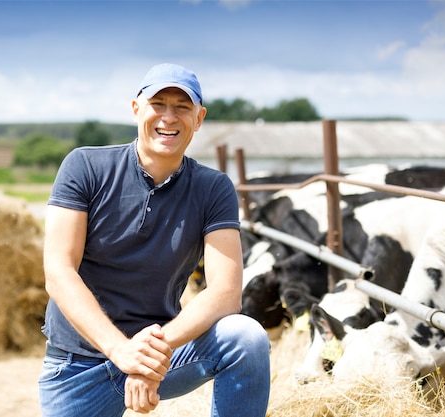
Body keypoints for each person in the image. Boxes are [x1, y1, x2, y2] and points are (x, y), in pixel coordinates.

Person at [38, 63, 271, 417]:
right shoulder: (84, 167)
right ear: (136, 109)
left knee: (246, 338)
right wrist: (121, 351)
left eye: (182, 107)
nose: (169, 117)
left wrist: (150, 356)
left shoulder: (213, 188)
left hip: (164, 353)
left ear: (199, 117)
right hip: (79, 363)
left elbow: (225, 294)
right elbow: (59, 272)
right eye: (158, 104)